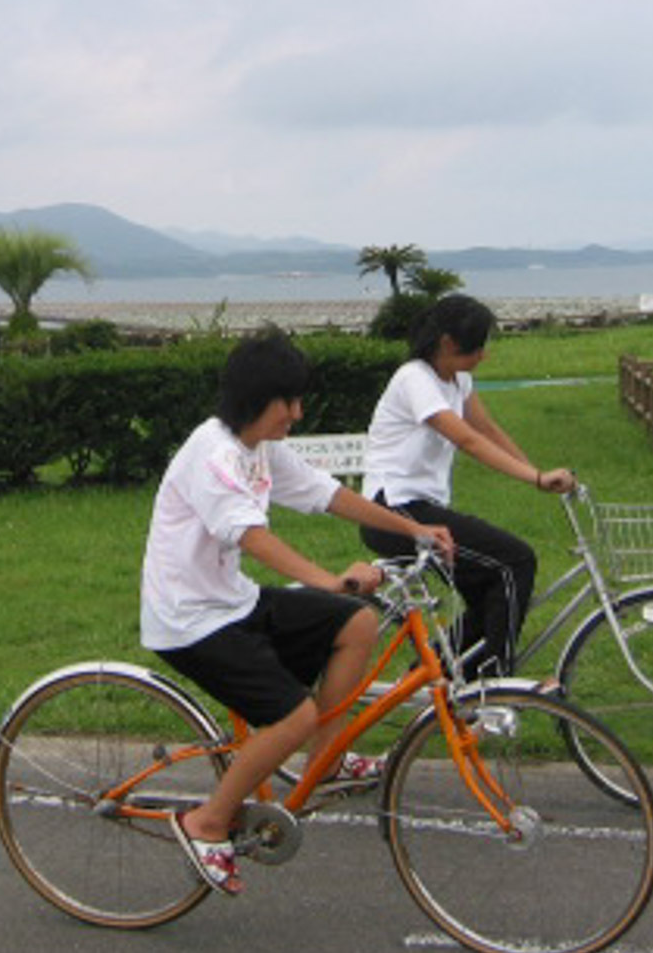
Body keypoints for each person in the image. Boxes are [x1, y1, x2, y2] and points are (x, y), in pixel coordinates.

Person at [143, 328, 453, 896]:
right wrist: (329, 580)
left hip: (232, 602)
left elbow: (327, 494)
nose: (298, 412)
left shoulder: (259, 448)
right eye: (289, 401)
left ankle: (327, 761)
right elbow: (252, 536)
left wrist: (413, 529)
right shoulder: (214, 455)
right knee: (292, 715)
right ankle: (206, 823)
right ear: (257, 400)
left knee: (357, 622)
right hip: (189, 622)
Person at [359, 294, 575, 682]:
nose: (482, 355)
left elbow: (486, 429)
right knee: (515, 562)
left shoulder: (458, 380)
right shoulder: (415, 378)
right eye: (476, 347)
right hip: (393, 510)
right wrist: (536, 479)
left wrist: (537, 473)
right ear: (447, 344)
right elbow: (468, 441)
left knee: (490, 594)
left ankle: (433, 680)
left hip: (419, 508)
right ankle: (494, 682)